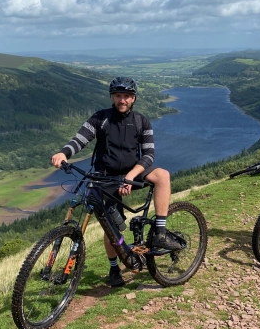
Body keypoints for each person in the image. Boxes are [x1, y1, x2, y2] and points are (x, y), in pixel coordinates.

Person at [51, 76, 183, 288]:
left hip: (134, 171)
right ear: (112, 97)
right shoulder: (100, 119)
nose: (123, 100)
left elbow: (148, 155)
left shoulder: (142, 121)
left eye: (127, 96)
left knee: (163, 176)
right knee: (111, 227)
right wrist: (64, 152)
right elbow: (80, 139)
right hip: (106, 175)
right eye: (118, 96)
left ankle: (159, 232)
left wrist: (130, 176)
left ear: (134, 99)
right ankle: (114, 268)